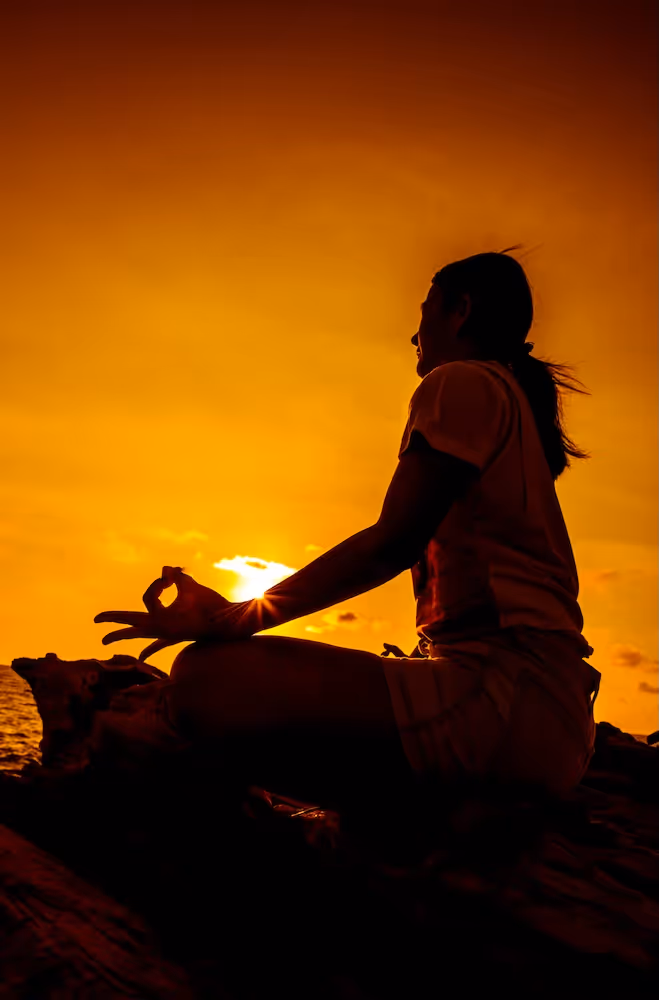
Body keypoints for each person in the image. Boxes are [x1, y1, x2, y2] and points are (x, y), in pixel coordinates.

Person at [95, 250, 601, 811]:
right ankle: (389, 830)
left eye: (425, 309)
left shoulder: (462, 382)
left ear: (459, 310)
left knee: (203, 677)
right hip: (541, 718)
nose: (414, 333)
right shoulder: (506, 402)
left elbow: (391, 544)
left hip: (503, 704)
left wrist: (228, 621)